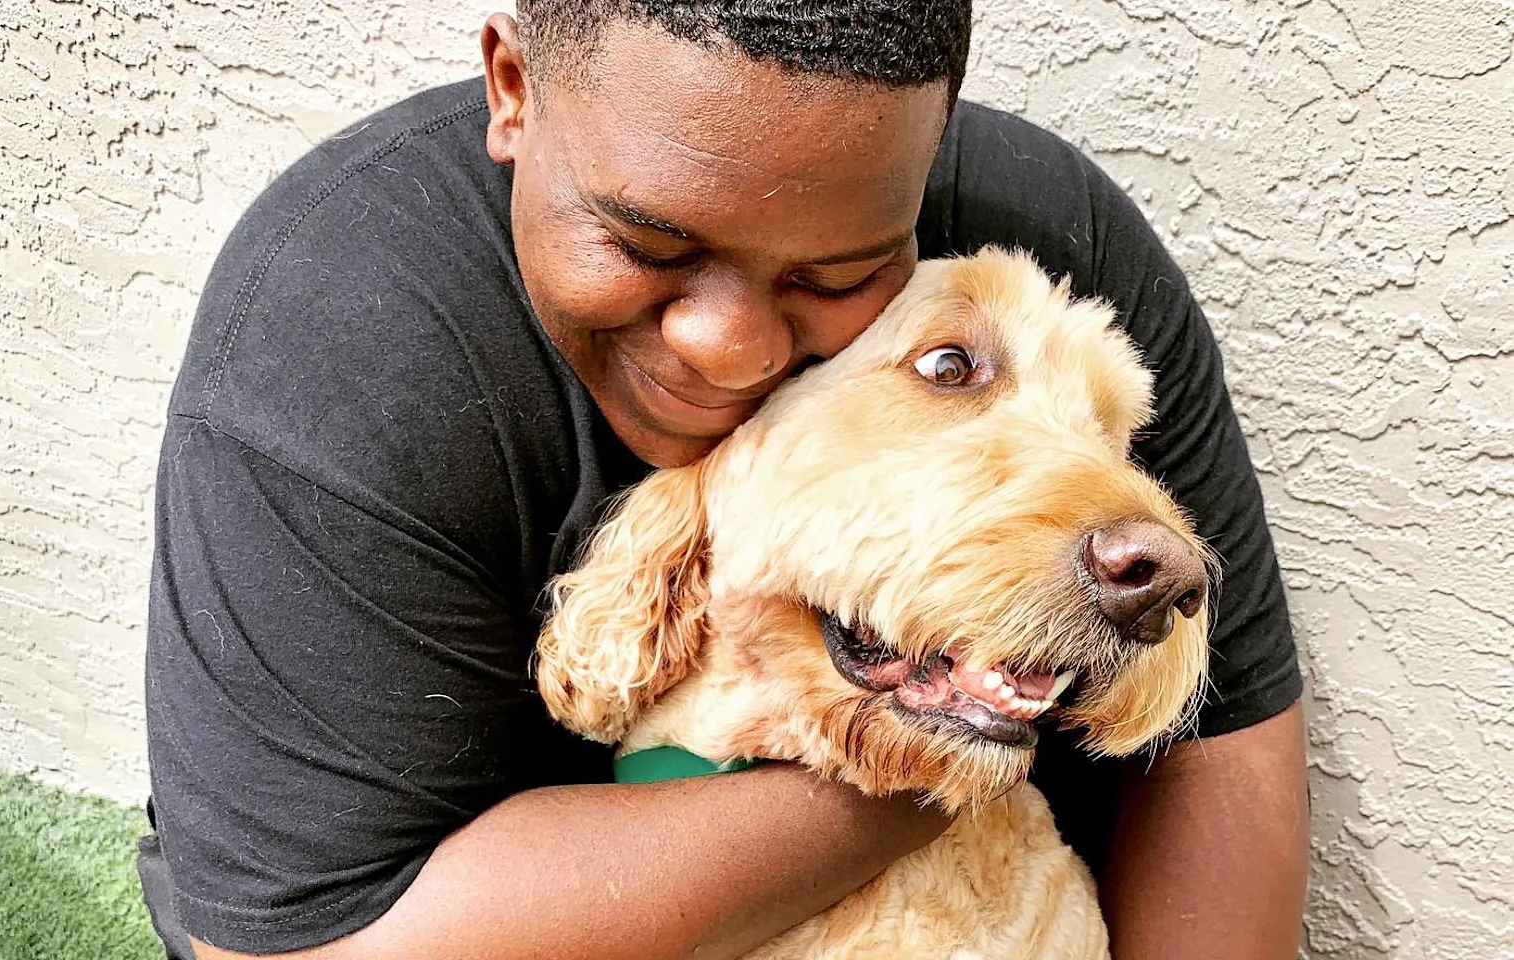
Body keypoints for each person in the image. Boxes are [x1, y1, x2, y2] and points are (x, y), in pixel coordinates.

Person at [136, 2, 1310, 958]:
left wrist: (954, 702)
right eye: (647, 246)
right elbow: (306, 949)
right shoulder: (336, 345)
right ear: (514, 89)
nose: (729, 349)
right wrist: (932, 732)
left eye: (842, 273)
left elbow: (1227, 744)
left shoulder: (1046, 244)